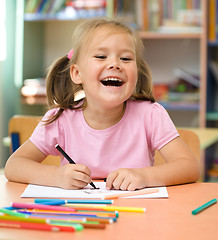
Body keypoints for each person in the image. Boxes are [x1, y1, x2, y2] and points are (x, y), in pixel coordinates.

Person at [4, 18, 200, 191]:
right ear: (76, 73)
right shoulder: (61, 119)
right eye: (100, 56)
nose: (115, 64)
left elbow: (189, 167)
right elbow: (14, 165)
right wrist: (56, 176)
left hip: (138, 221)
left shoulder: (150, 115)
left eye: (125, 58)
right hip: (78, 221)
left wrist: (145, 177)